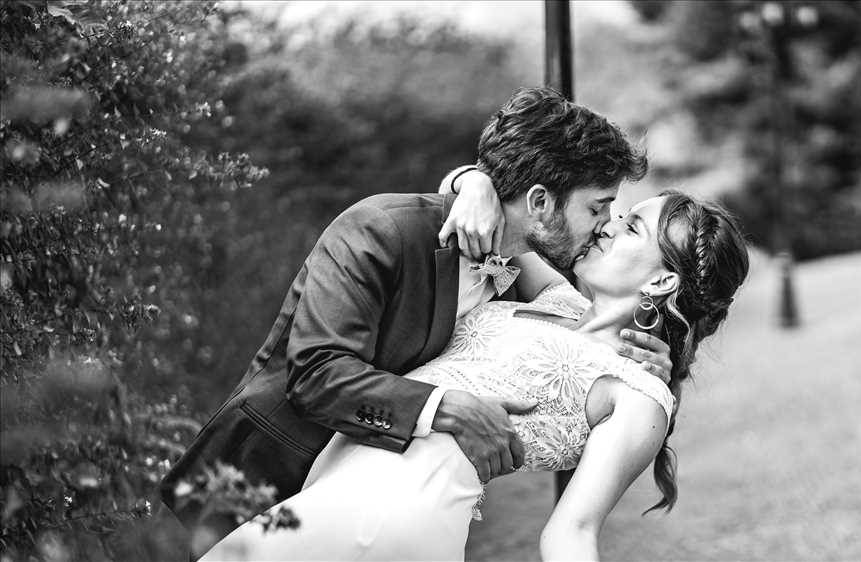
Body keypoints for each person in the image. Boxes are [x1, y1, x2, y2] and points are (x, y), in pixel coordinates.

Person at [160, 87, 668, 557]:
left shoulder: (522, 273)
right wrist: (447, 407)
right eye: (597, 208)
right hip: (273, 474)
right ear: (539, 202)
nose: (604, 226)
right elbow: (315, 375)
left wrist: (653, 355)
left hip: (400, 505)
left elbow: (600, 355)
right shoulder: (380, 231)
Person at [201, 189, 749, 561]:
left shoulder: (640, 393)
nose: (608, 224)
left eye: (631, 227)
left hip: (400, 509)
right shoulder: (555, 299)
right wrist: (473, 178)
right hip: (337, 483)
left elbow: (573, 530)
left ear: (661, 283)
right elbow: (499, 211)